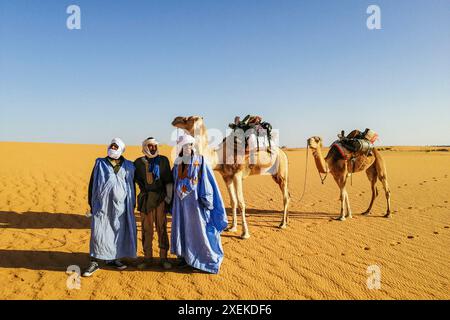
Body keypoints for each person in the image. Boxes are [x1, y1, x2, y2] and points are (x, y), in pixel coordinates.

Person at [170, 135, 228, 274]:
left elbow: (207, 181)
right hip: (181, 206)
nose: (187, 148)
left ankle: (203, 260)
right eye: (184, 146)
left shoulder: (200, 161)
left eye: (189, 145)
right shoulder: (177, 163)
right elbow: (174, 182)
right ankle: (185, 257)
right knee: (183, 230)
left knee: (198, 232)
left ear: (192, 146)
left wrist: (207, 201)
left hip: (196, 205)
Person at [82, 138, 137, 277]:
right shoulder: (100, 163)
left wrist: (132, 204)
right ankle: (94, 262)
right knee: (99, 233)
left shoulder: (129, 165)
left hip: (121, 207)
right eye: (111, 145)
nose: (112, 147)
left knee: (118, 232)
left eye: (115, 146)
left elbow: (132, 186)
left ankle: (113, 259)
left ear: (121, 149)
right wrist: (92, 203)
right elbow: (92, 184)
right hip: (102, 206)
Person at [134, 137, 174, 270]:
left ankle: (164, 258)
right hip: (145, 200)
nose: (153, 148)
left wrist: (168, 198)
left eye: (155, 146)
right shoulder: (138, 163)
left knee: (162, 228)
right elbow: (131, 181)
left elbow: (168, 179)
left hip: (161, 199)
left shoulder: (163, 161)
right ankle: (147, 258)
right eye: (150, 146)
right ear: (145, 147)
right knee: (147, 230)